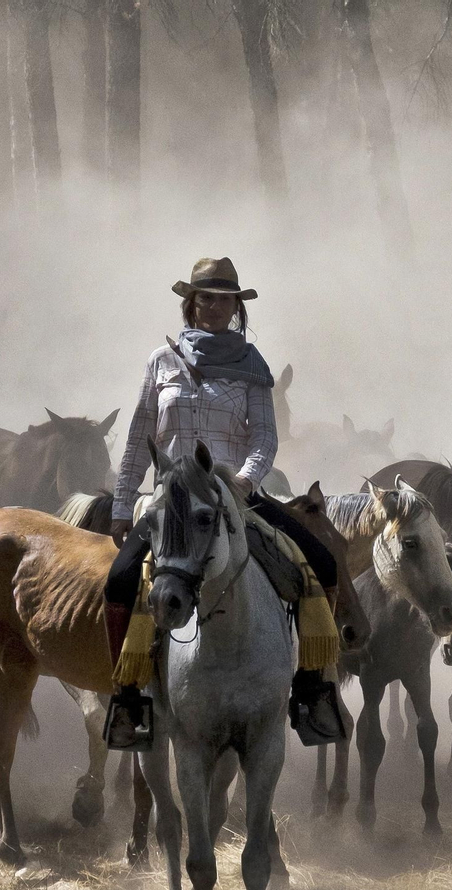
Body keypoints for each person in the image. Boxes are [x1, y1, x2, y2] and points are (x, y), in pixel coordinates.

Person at [105, 256, 341, 750]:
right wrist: (123, 507)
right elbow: (137, 439)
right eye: (205, 297)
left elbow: (265, 440)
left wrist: (243, 482)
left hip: (233, 498)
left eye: (224, 298)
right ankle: (128, 700)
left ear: (237, 306)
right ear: (191, 303)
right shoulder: (160, 362)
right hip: (170, 504)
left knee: (319, 564)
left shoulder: (253, 367)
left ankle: (311, 690)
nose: (214, 306)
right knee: (120, 580)